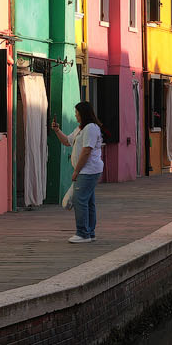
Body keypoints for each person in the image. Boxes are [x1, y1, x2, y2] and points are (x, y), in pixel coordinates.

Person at [51, 100, 105, 243]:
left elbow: (87, 150)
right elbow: (67, 141)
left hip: (88, 170)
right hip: (86, 170)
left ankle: (82, 233)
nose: (75, 115)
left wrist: (77, 171)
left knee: (79, 200)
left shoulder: (91, 129)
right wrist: (57, 130)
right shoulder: (81, 129)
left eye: (77, 113)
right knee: (88, 201)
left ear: (83, 114)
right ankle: (90, 232)